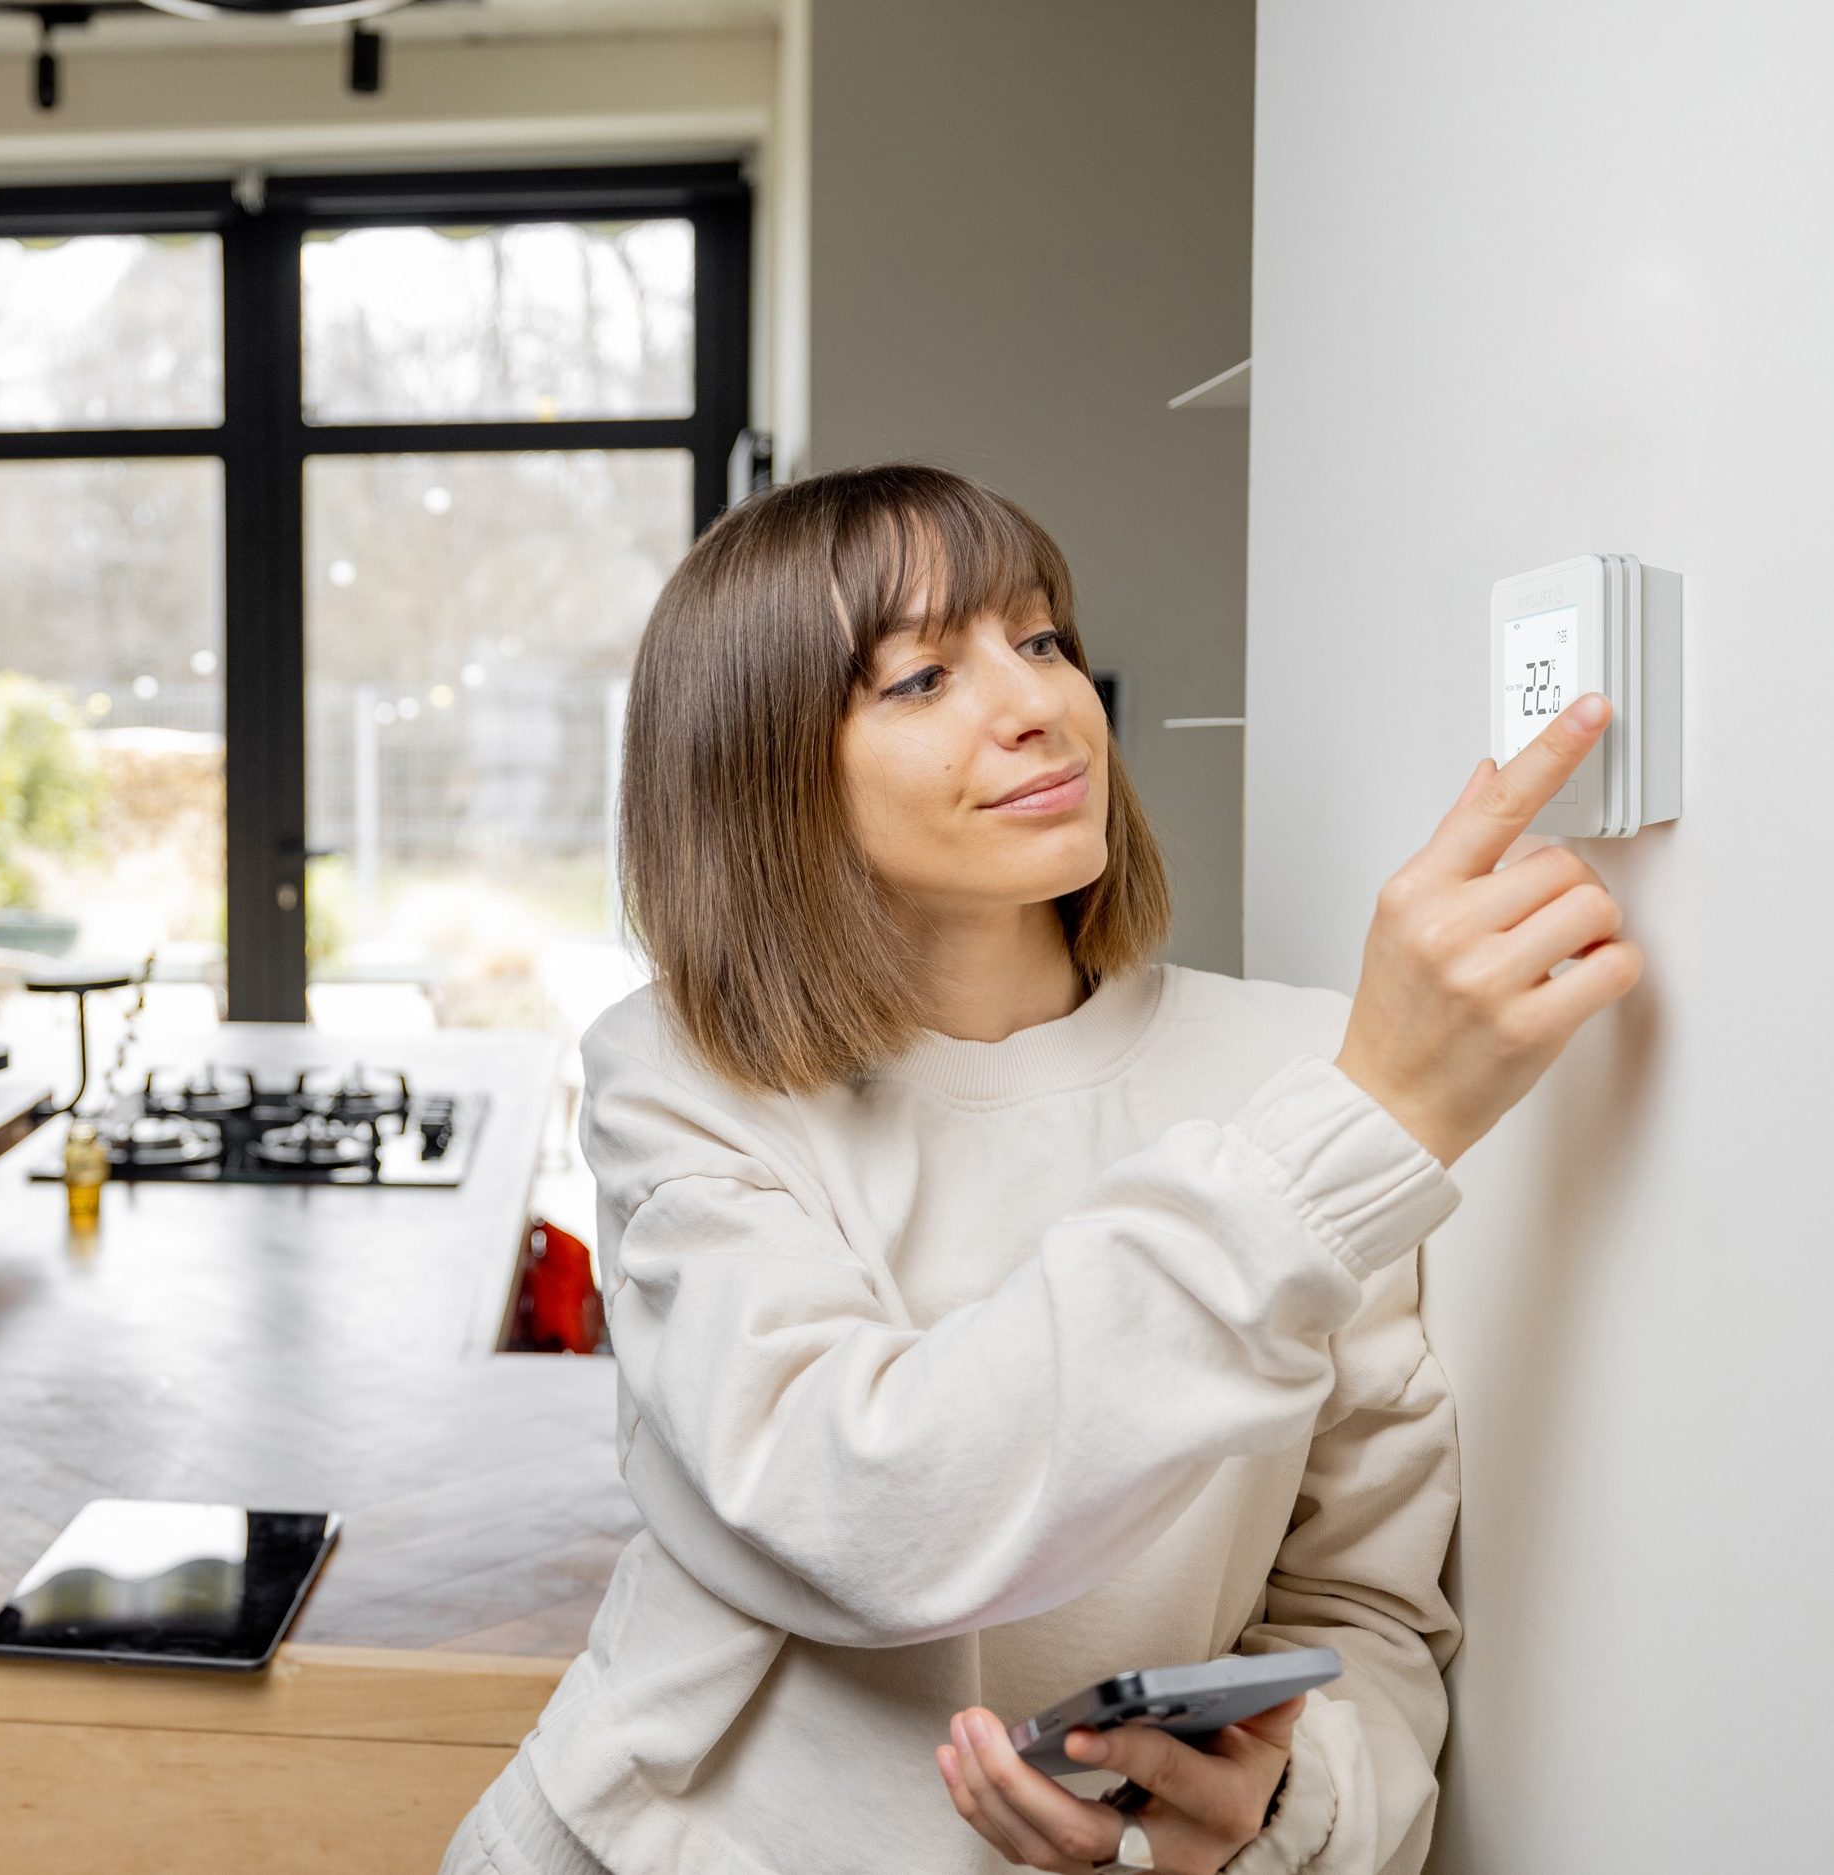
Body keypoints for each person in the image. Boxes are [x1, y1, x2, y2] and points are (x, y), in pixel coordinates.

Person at [438, 464, 1639, 1875]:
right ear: (761, 772)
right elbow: (873, 1513)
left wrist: (1271, 1805)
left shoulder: (1311, 1071)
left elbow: (1365, 1615)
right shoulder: (684, 1078)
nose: (1037, 705)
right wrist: (1358, 1129)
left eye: (1042, 640)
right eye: (920, 680)